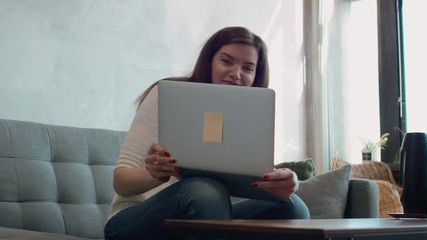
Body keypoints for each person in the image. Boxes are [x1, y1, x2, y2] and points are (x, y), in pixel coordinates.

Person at [104, 26, 310, 240]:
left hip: (207, 211)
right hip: (133, 221)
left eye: (248, 68)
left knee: (293, 209)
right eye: (226, 61)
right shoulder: (168, 95)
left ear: (256, 76)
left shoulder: (249, 115)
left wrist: (281, 182)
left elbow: (247, 179)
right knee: (206, 192)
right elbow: (121, 182)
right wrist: (154, 174)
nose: (236, 73)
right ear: (209, 61)